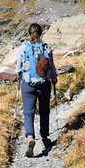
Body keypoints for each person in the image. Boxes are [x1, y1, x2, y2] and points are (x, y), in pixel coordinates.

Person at [15, 22, 57, 157]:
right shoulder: (47, 47)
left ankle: (30, 137)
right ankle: (44, 138)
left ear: (29, 33)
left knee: (28, 112)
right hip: (44, 84)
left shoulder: (23, 47)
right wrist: (53, 78)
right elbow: (52, 68)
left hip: (28, 85)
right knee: (44, 111)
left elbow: (18, 67)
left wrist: (19, 75)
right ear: (41, 33)